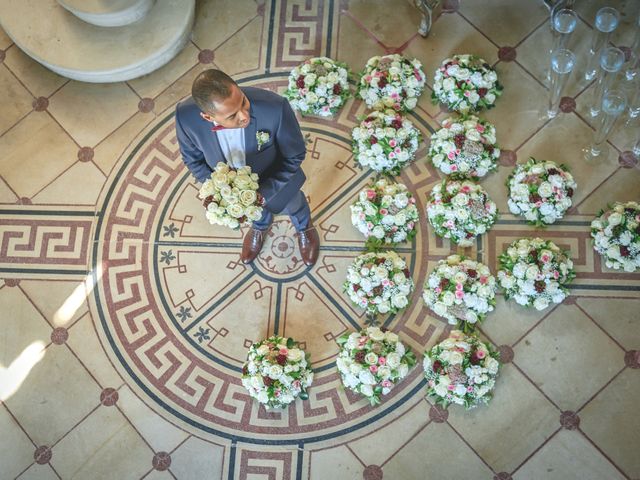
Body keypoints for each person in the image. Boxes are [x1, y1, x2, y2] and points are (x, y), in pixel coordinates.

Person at [175, 69, 319, 266]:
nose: (245, 116)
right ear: (208, 117)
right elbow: (193, 160)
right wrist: (221, 191)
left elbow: (294, 155)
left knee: (295, 205)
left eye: (243, 101)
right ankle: (260, 226)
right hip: (234, 188)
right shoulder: (185, 118)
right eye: (233, 115)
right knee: (258, 215)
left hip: (279, 180)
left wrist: (264, 194)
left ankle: (304, 227)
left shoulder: (274, 108)